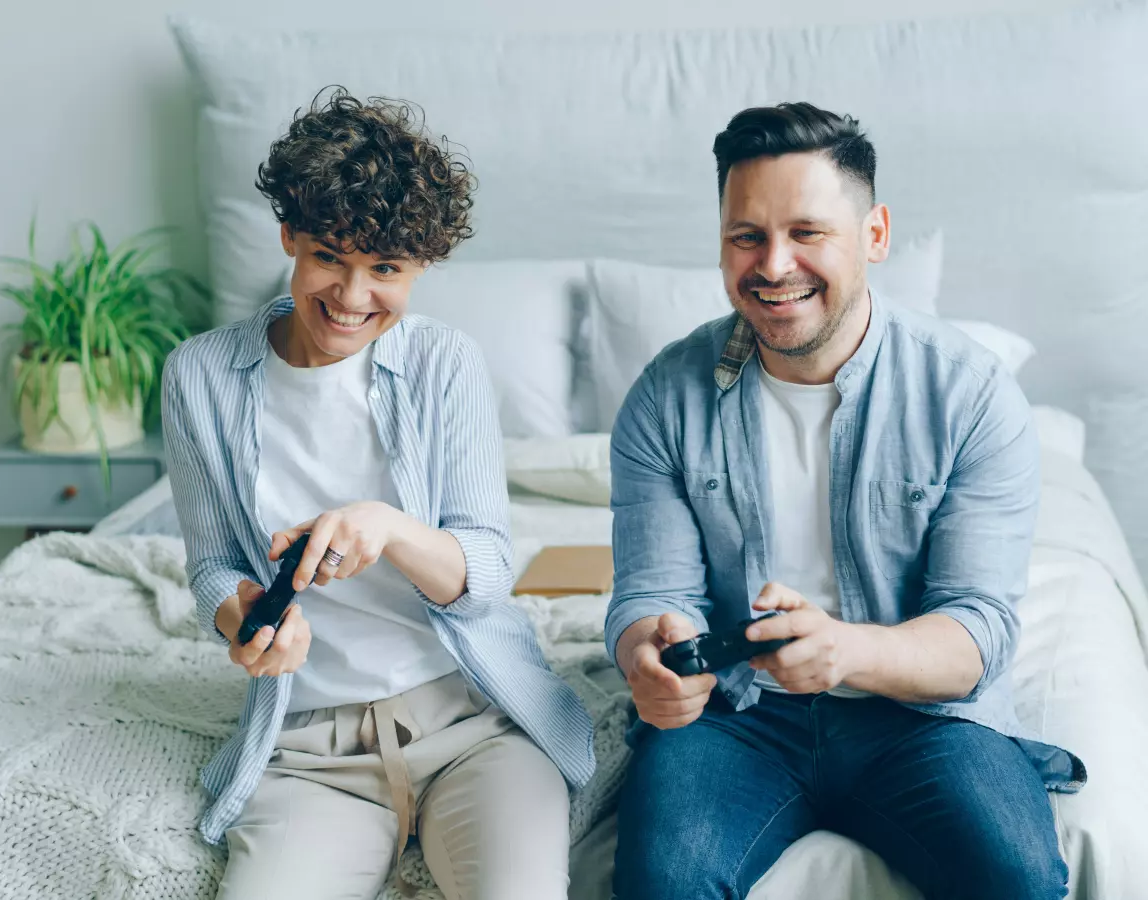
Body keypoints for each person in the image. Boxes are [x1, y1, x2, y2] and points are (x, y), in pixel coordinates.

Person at [606, 102, 1084, 900]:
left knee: (1020, 879)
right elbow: (650, 593)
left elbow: (978, 627)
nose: (774, 264)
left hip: (920, 718)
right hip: (735, 715)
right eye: (747, 236)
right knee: (662, 880)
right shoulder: (664, 396)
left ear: (874, 235)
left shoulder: (970, 394)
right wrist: (647, 656)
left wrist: (848, 652)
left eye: (807, 232)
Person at [162, 88, 593, 900]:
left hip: (475, 724)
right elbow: (213, 567)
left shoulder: (446, 365)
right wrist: (248, 618)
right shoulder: (200, 376)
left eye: (387, 270)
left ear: (422, 267)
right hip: (308, 751)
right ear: (289, 234)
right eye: (329, 256)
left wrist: (387, 528)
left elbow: (489, 570)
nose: (353, 297)